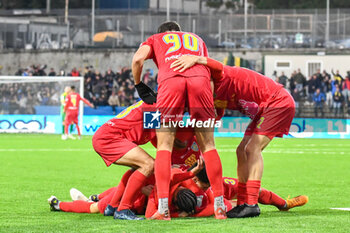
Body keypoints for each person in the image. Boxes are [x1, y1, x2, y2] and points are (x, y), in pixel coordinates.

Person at [170, 55, 295, 218]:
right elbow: (215, 116)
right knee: (241, 150)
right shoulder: (213, 96)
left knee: (252, 148)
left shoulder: (218, 75)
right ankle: (244, 202)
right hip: (266, 108)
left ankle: (251, 203)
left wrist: (196, 58)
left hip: (278, 101)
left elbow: (218, 66)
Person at [132, 21, 226, 220]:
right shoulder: (197, 39)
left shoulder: (156, 39)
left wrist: (139, 85)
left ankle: (164, 208)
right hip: (201, 83)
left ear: (161, 33)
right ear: (180, 32)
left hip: (170, 82)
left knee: (163, 147)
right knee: (209, 146)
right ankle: (219, 206)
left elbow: (138, 60)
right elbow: (208, 72)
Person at [92, 100, 156, 220]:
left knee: (138, 168)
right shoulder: (156, 108)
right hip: (110, 138)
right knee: (149, 164)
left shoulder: (152, 103)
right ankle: (123, 210)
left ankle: (112, 206)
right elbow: (161, 143)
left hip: (107, 135)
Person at [193, 163, 308, 213]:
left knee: (255, 191)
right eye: (205, 186)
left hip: (226, 191)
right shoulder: (184, 185)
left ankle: (285, 204)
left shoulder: (217, 184)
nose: (207, 188)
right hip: (217, 199)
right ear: (195, 180)